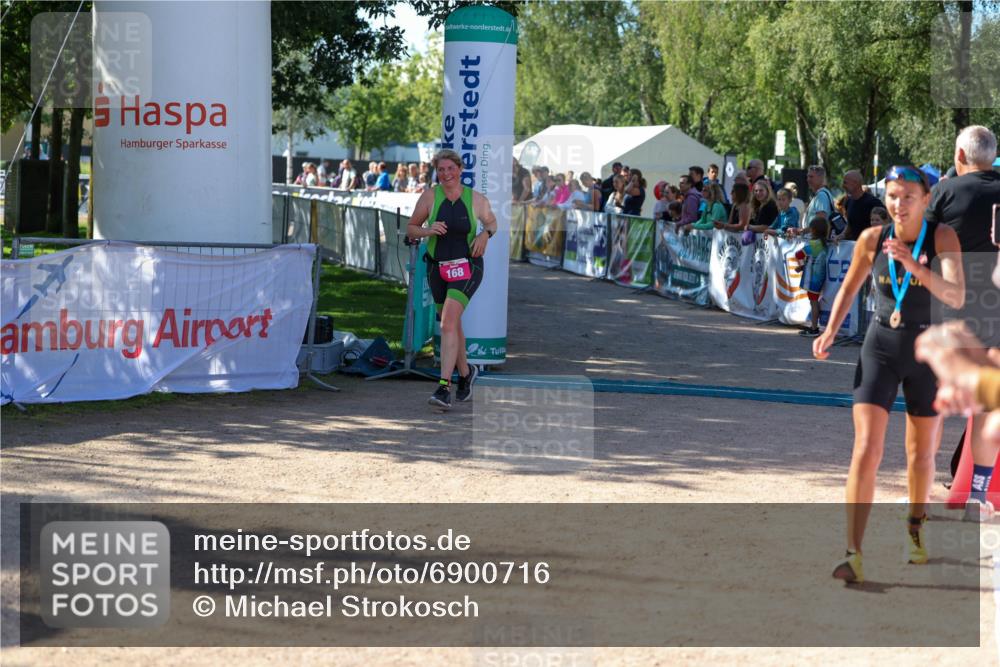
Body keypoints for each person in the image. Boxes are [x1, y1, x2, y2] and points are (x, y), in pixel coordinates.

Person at [812, 165, 965, 583]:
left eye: (908, 197)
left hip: (927, 353)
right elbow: (849, 288)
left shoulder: (942, 238)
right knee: (866, 448)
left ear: (926, 199)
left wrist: (915, 267)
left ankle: (915, 528)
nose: (899, 204)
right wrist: (829, 330)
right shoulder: (872, 239)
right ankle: (852, 553)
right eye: (893, 196)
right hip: (880, 347)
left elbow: (956, 296)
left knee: (921, 454)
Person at [924, 126, 1000, 499]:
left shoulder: (945, 192)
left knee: (934, 405)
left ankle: (921, 489)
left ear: (959, 155)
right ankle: (978, 495)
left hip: (951, 312)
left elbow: (921, 246)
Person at [406, 149, 498, 410]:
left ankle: (444, 386)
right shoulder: (429, 197)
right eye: (441, 169)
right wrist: (428, 230)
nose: (446, 174)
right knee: (452, 324)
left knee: (447, 322)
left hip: (468, 266)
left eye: (451, 168)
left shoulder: (476, 199)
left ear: (460, 170)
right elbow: (411, 228)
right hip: (437, 267)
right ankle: (467, 374)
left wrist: (484, 235)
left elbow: (492, 223)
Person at [795, 216, 830, 337]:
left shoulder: (814, 245)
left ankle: (814, 328)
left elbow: (798, 254)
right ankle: (814, 326)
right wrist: (803, 266)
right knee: (815, 301)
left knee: (813, 302)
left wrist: (801, 265)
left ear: (813, 230)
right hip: (820, 277)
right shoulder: (825, 244)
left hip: (812, 279)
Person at [840, 169, 883, 241]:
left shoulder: (873, 202)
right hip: (856, 245)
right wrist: (842, 235)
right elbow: (850, 224)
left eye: (845, 182)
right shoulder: (848, 201)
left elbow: (886, 222)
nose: (843, 185)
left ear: (855, 183)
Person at [804, 165, 835, 230]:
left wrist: (801, 231)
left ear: (821, 178)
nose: (808, 179)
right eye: (807, 177)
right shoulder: (820, 194)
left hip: (816, 236)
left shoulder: (821, 195)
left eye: (811, 177)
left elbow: (819, 224)